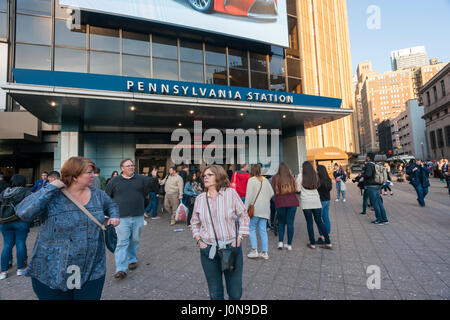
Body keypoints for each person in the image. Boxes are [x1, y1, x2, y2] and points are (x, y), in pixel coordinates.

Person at [15, 157, 120, 299]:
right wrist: (51, 187)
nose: (93, 175)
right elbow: (24, 212)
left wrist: (114, 216)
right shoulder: (52, 195)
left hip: (92, 269)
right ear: (75, 176)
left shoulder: (98, 194)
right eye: (89, 172)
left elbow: (111, 205)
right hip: (52, 269)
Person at [191, 165, 250, 300]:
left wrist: (240, 237)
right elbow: (194, 222)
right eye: (204, 175)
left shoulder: (231, 194)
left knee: (235, 294)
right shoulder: (200, 199)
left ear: (218, 177)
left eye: (209, 175)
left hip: (231, 248)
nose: (205, 177)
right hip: (208, 251)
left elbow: (244, 216)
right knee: (215, 293)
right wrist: (199, 241)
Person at [105, 158, 152, 280]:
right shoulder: (114, 181)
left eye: (132, 165)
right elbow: (107, 199)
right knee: (122, 242)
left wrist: (154, 177)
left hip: (138, 216)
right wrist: (110, 215)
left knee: (134, 240)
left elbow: (148, 192)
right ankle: (120, 268)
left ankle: (132, 259)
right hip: (121, 218)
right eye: (128, 166)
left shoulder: (141, 179)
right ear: (122, 168)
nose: (131, 167)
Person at [0, 175, 32, 280]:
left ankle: (3, 271)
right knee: (20, 243)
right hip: (20, 221)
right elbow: (32, 205)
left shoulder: (5, 192)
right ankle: (20, 269)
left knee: (7, 245)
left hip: (5, 222)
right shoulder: (25, 191)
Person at [298, 162, 332, 250]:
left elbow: (297, 189)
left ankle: (312, 243)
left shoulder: (300, 176)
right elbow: (318, 186)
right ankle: (328, 242)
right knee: (319, 221)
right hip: (316, 201)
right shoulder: (316, 176)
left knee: (309, 223)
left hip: (306, 202)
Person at [245, 164, 274, 260]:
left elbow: (248, 196)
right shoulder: (265, 180)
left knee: (252, 228)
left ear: (252, 170)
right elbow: (272, 193)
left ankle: (254, 250)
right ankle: (265, 252)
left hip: (255, 209)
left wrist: (245, 209)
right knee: (263, 230)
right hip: (265, 210)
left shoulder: (251, 180)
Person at [271, 162, 300, 251]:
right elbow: (296, 189)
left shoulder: (275, 178)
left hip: (280, 202)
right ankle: (289, 244)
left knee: (281, 223)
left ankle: (280, 242)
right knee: (290, 223)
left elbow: (273, 190)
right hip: (292, 202)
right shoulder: (291, 177)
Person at [362, 153, 389, 225]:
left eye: (366, 156)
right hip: (378, 185)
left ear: (368, 158)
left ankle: (379, 219)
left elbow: (368, 175)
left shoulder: (368, 165)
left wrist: (362, 174)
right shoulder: (375, 164)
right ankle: (385, 219)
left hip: (371, 186)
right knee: (379, 202)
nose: (366, 158)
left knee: (375, 203)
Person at [316, 165, 332, 245]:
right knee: (326, 217)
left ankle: (322, 236)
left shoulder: (318, 180)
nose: (316, 171)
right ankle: (327, 234)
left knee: (319, 219)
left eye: (317, 170)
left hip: (321, 201)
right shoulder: (328, 179)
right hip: (327, 200)